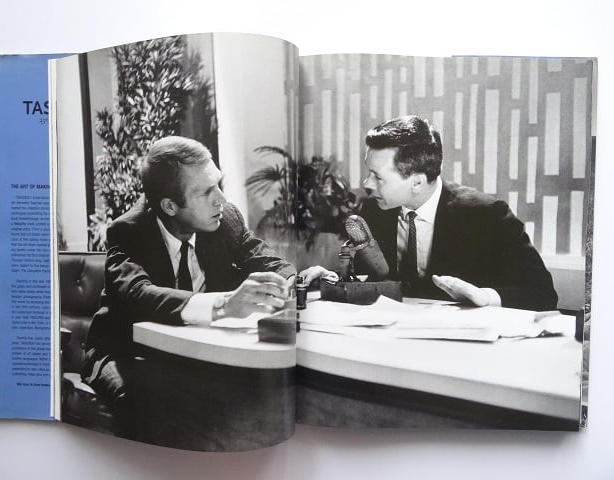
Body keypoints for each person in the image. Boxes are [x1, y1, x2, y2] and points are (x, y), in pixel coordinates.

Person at [81, 136, 296, 435]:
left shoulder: (223, 219)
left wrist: (291, 282)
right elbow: (140, 294)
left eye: (218, 184)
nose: (221, 199)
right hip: (125, 352)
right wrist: (224, 305)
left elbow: (266, 260)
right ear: (170, 206)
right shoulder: (128, 231)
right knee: (146, 405)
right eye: (206, 191)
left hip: (195, 351)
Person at [300, 115, 558, 311]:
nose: (367, 184)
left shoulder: (487, 216)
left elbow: (542, 293)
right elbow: (375, 280)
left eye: (377, 177)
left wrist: (485, 297)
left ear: (417, 182)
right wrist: (333, 280)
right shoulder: (373, 210)